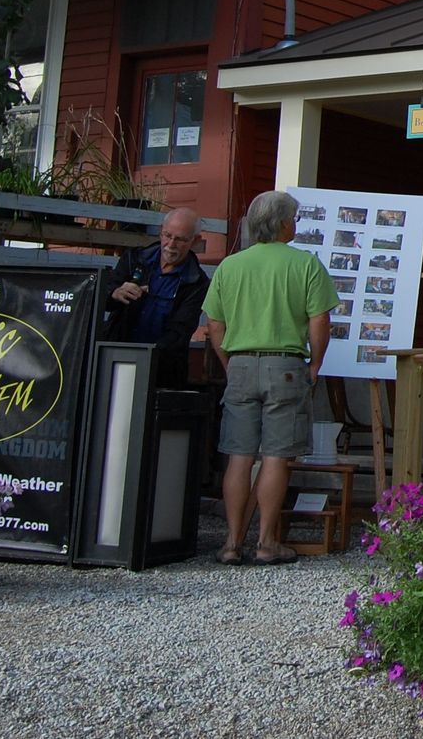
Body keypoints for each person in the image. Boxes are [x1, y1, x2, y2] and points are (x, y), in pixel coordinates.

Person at [203, 190, 335, 566]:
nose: (295, 224)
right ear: (281, 224)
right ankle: (265, 541)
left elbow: (214, 324)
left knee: (239, 456)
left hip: (241, 363)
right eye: (293, 218)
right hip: (286, 365)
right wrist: (315, 364)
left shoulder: (231, 266)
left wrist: (230, 362)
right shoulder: (304, 264)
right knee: (277, 456)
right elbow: (319, 320)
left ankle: (231, 542)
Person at [102, 206, 208, 389]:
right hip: (114, 360)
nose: (171, 244)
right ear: (160, 231)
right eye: (167, 235)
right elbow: (101, 298)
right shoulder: (134, 259)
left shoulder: (197, 283)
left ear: (195, 241)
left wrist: (144, 357)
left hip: (161, 371)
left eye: (180, 239)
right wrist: (115, 292)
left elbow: (179, 333)